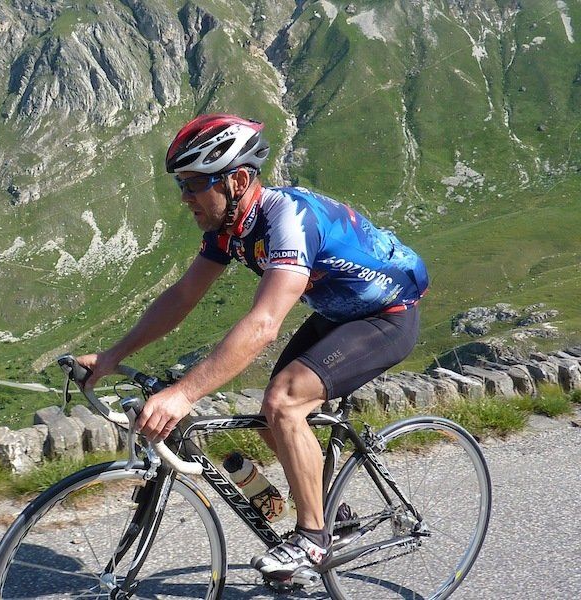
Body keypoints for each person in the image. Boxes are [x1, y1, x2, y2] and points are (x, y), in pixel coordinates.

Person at [77, 113, 429, 581]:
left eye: (195, 183)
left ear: (238, 179)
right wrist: (112, 356)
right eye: (182, 184)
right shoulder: (229, 229)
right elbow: (182, 297)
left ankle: (312, 539)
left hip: (388, 315)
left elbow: (264, 324)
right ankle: (330, 516)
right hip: (339, 313)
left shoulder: (289, 221)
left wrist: (183, 394)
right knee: (272, 419)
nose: (185, 198)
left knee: (284, 400)